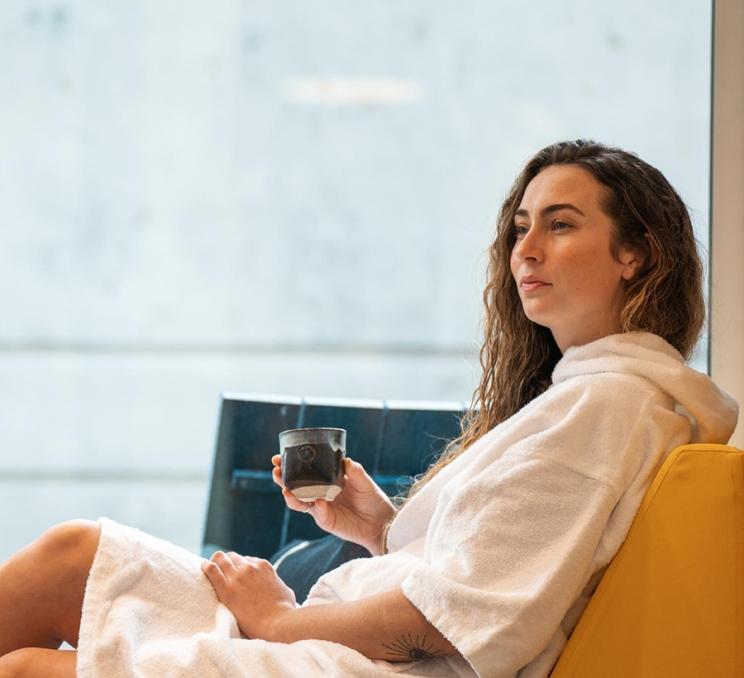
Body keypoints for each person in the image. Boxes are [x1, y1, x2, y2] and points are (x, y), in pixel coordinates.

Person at [0, 139, 738, 678]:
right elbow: (493, 578)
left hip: (369, 668)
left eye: (561, 223)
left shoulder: (607, 408)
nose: (526, 249)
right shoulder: (592, 394)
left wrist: (277, 620)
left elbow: (449, 625)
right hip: (347, 642)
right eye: (520, 227)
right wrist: (382, 529)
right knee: (79, 554)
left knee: (31, 665)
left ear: (635, 253)